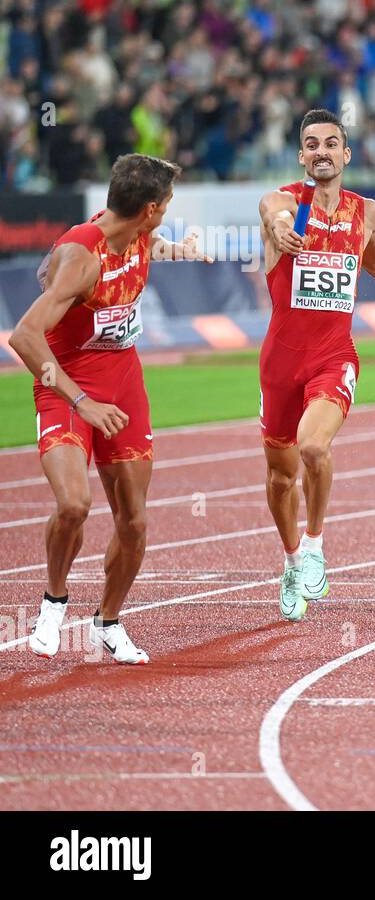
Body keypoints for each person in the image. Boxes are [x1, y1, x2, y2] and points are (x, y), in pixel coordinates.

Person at [11, 154, 212, 663]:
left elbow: (148, 246)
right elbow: (25, 337)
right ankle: (53, 603)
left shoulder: (138, 232)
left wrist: (179, 251)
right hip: (67, 385)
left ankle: (109, 621)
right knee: (74, 505)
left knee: (135, 522)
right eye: (165, 207)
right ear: (149, 208)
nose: (165, 213)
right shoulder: (81, 255)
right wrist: (83, 402)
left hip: (122, 384)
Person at [258, 109, 375, 621]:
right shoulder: (285, 202)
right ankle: (291, 560)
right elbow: (272, 210)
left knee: (314, 447)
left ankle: (314, 543)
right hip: (280, 364)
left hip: (333, 357)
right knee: (278, 478)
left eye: (331, 143)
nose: (321, 151)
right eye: (311, 144)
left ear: (346, 154)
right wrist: (280, 229)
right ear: (301, 155)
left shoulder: (367, 211)